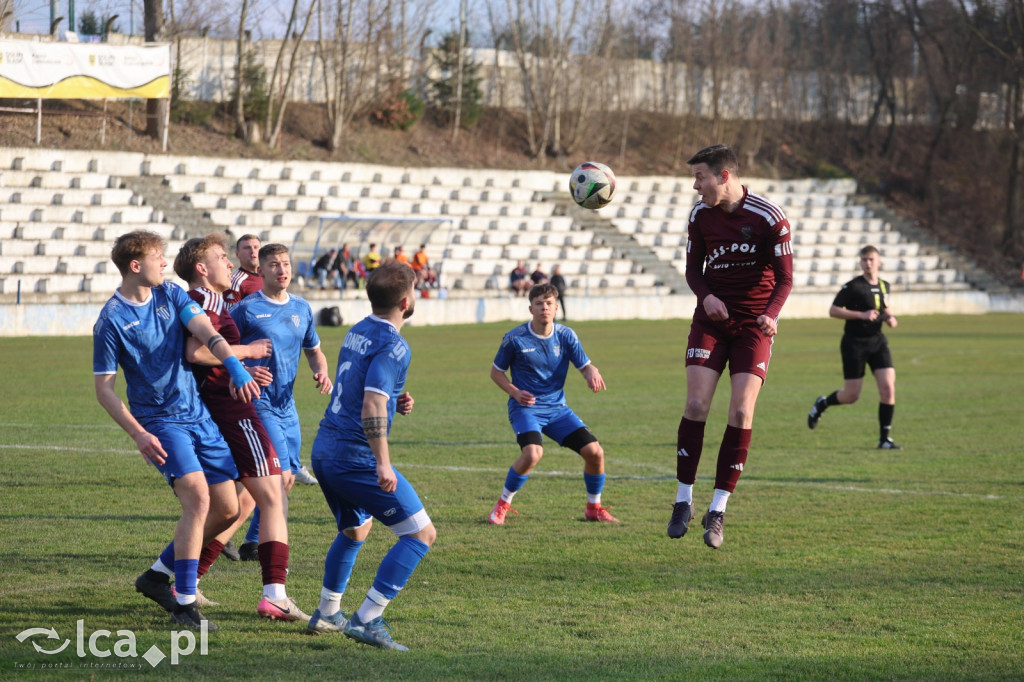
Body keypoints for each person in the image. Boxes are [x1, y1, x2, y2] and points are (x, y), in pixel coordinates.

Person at [93, 230, 260, 631]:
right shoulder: (111, 320)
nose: (165, 264)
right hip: (160, 423)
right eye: (158, 257)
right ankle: (185, 606)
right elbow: (104, 389)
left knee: (228, 508)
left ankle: (155, 576)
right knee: (198, 501)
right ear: (136, 266)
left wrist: (234, 364)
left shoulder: (170, 294)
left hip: (197, 415)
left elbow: (205, 331)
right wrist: (138, 433)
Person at [171, 232, 311, 622]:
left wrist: (243, 368)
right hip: (233, 412)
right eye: (221, 257)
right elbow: (196, 352)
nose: (230, 263)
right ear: (202, 269)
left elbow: (209, 357)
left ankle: (183, 581)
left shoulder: (212, 301)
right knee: (274, 495)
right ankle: (275, 594)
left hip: (230, 407)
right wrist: (247, 354)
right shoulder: (202, 301)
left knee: (241, 504)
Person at [666, 144, 793, 549]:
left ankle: (717, 509)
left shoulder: (769, 217)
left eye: (700, 176)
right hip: (711, 321)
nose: (695, 186)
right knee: (696, 405)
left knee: (741, 410)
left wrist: (771, 314)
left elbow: (785, 278)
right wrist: (706, 297)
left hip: (753, 326)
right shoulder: (699, 216)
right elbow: (692, 269)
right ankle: (683, 500)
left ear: (724, 176)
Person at [306, 262, 436, 651]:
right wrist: (381, 461)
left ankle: (328, 612)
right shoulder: (394, 344)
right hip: (354, 456)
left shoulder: (358, 329)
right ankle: (368, 618)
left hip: (325, 449)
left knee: (355, 531)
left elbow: (363, 384)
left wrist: (397, 396)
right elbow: (371, 403)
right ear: (406, 301)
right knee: (420, 534)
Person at [232, 243, 334, 559]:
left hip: (287, 405)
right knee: (280, 476)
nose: (282, 270)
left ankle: (250, 541)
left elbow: (314, 352)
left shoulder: (301, 308)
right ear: (261, 270)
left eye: (286, 263)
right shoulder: (246, 309)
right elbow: (220, 352)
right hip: (258, 401)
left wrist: (322, 372)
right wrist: (246, 369)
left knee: (286, 479)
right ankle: (228, 534)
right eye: (274, 264)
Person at [486, 282, 619, 525]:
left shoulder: (566, 335)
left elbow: (584, 364)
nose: (544, 308)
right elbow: (496, 373)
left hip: (557, 410)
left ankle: (594, 507)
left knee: (595, 453)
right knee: (533, 454)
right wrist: (515, 392)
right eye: (538, 304)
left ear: (556, 308)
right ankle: (502, 505)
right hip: (526, 408)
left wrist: (591, 371)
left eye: (548, 304)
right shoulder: (515, 338)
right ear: (530, 309)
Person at [807, 245, 901, 449]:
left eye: (871, 259)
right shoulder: (853, 286)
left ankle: (884, 439)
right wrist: (861, 315)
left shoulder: (885, 285)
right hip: (854, 344)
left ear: (879, 262)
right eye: (864, 260)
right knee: (851, 396)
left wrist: (889, 317)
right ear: (860, 262)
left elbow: (884, 307)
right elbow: (833, 310)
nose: (868, 263)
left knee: (888, 388)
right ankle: (822, 403)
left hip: (878, 342)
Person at [226, 233, 263, 307]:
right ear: (237, 254)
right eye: (247, 248)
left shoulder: (269, 277)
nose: (252, 251)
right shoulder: (235, 282)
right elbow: (229, 315)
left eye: (256, 247)